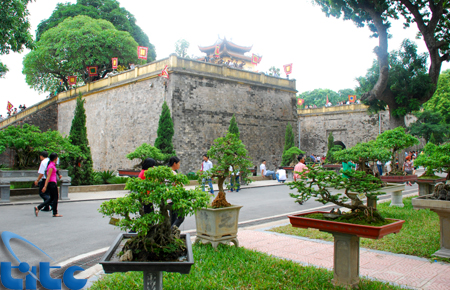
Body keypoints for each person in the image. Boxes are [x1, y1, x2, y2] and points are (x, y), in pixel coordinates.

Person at [35, 153, 63, 217]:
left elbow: (55, 171)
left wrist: (59, 175)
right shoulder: (50, 166)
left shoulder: (52, 164)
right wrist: (45, 186)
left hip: (53, 183)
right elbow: (48, 177)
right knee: (55, 198)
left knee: (52, 198)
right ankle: (55, 213)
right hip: (52, 183)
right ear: (55, 158)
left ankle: (38, 207)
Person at [168, 156, 184, 228]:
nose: (179, 165)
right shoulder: (173, 174)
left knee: (173, 218)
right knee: (180, 217)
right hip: (173, 199)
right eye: (179, 163)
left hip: (167, 199)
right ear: (175, 163)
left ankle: (170, 234)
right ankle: (171, 232)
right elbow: (179, 186)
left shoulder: (166, 172)